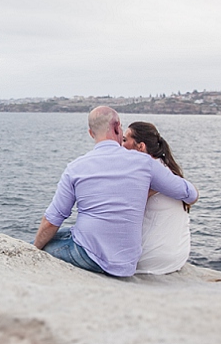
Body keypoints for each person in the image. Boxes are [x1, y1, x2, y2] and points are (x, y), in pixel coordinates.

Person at [33, 106, 198, 277]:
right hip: (126, 262)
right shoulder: (145, 163)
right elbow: (191, 194)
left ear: (91, 133)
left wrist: (33, 249)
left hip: (89, 256)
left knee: (39, 243)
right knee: (66, 233)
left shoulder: (76, 168)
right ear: (118, 127)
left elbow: (52, 220)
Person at [123, 121, 191, 274]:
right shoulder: (168, 171)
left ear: (141, 146)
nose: (121, 145)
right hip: (178, 257)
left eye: (125, 140)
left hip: (151, 260)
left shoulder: (147, 173)